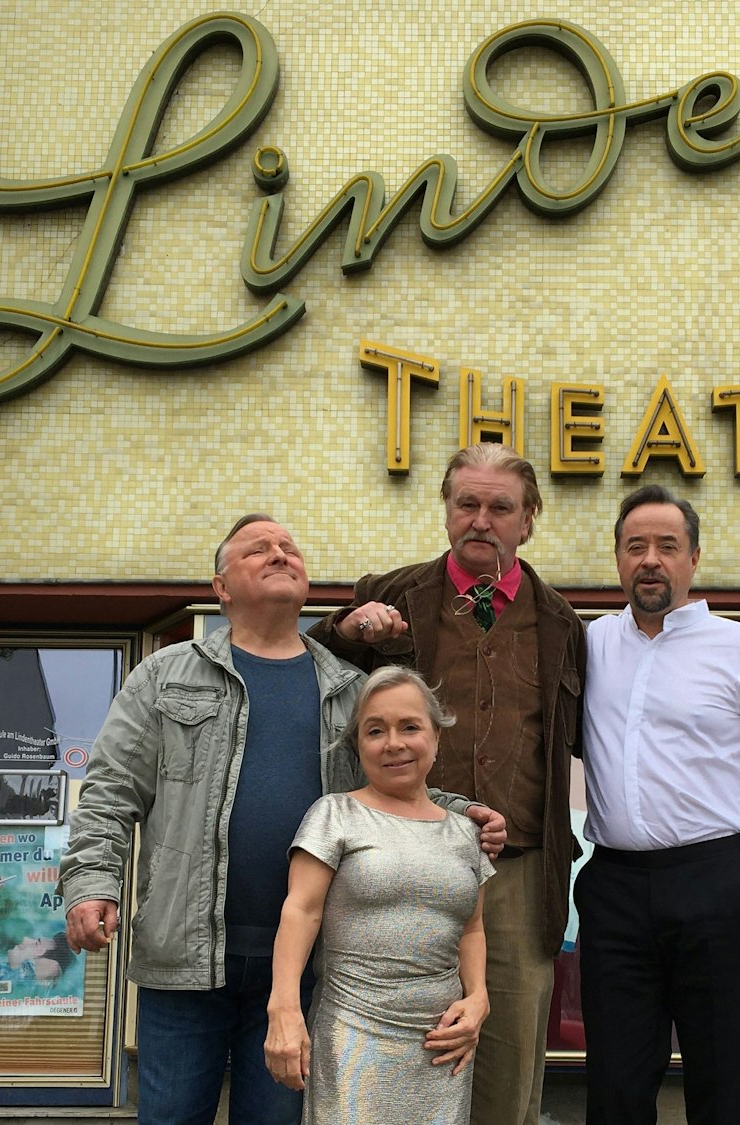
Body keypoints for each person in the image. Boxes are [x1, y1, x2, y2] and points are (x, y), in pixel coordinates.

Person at [59, 514, 504, 1125]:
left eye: (289, 548)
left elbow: (392, 788)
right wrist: (91, 885)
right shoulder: (165, 675)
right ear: (220, 587)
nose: (278, 553)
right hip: (185, 962)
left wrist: (460, 813)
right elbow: (109, 794)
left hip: (304, 970)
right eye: (257, 549)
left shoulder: (349, 689)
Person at [309, 443, 584, 1125]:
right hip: (397, 863)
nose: (481, 519)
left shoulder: (563, 625)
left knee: (507, 1066)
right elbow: (311, 666)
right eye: (467, 503)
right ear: (446, 511)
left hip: (515, 873)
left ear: (529, 519)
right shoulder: (392, 593)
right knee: (390, 1056)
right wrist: (346, 628)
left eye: (500, 506)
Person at [577, 485, 740, 1125]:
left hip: (715, 888)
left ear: (694, 558)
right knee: (616, 1089)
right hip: (613, 890)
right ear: (619, 559)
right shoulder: (590, 646)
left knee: (722, 1085)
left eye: (667, 546)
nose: (650, 559)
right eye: (635, 547)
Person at [265, 667, 496, 1124]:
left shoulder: (465, 832)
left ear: (435, 737)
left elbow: (472, 928)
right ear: (358, 746)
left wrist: (479, 998)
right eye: (375, 730)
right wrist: (284, 1008)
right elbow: (301, 911)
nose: (393, 743)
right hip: (353, 1035)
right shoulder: (335, 815)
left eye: (409, 727)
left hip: (442, 1045)